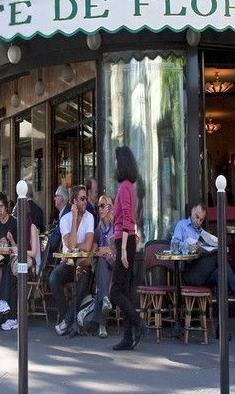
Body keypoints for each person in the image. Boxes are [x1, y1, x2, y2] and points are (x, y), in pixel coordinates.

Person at [171, 202, 235, 305]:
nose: (198, 221)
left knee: (221, 272)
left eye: (201, 220)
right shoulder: (182, 225)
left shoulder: (201, 232)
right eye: (197, 217)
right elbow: (173, 245)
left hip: (204, 273)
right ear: (192, 211)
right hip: (190, 273)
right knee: (218, 256)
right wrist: (187, 246)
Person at [110, 146, 144, 351]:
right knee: (123, 289)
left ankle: (137, 321)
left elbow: (126, 221)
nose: (114, 164)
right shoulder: (130, 186)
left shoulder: (124, 187)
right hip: (127, 240)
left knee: (115, 291)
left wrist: (122, 250)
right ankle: (127, 336)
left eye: (116, 161)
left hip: (125, 241)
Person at [49, 184, 94, 336]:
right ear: (74, 202)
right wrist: (74, 218)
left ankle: (66, 322)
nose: (85, 202)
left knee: (82, 279)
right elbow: (71, 245)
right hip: (68, 264)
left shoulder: (90, 217)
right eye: (81, 199)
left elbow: (87, 247)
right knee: (53, 278)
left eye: (86, 198)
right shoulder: (65, 219)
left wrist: (75, 246)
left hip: (82, 264)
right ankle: (65, 317)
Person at [92, 194, 115, 338]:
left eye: (102, 205)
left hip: (117, 266)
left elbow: (125, 245)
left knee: (102, 285)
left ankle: (101, 325)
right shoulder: (98, 229)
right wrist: (98, 251)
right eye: (98, 206)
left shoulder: (116, 226)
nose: (99, 209)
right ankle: (105, 299)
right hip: (104, 268)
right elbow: (93, 249)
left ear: (109, 208)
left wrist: (109, 249)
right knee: (100, 262)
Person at [0, 192, 17, 316]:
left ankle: (2, 305)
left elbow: (19, 247)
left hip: (11, 260)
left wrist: (9, 242)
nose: (0, 210)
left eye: (1, 207)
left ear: (6, 207)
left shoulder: (14, 222)